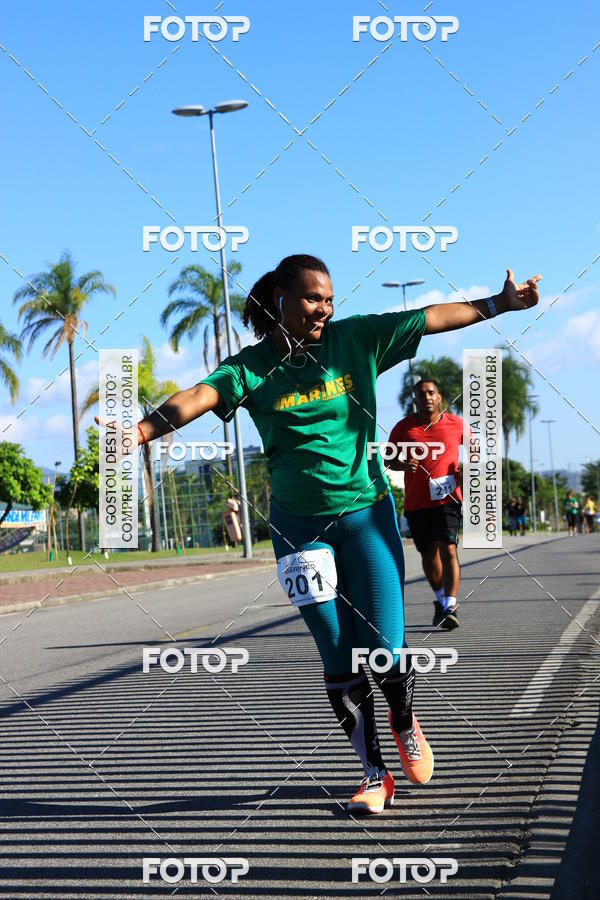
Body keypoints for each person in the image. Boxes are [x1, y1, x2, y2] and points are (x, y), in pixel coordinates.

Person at [123, 255, 540, 815]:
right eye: (313, 298)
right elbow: (196, 397)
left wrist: (499, 304)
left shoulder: (357, 338)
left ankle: (404, 719)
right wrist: (142, 431)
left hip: (366, 515)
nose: (325, 308)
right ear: (280, 301)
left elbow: (432, 316)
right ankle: (373, 773)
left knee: (386, 650)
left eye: (329, 299)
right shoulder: (251, 368)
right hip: (299, 531)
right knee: (338, 652)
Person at [387, 380, 463, 630]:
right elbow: (388, 459)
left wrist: (467, 469)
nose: (427, 397)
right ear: (415, 400)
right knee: (428, 554)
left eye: (431, 393)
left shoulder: (456, 424)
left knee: (448, 548)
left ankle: (451, 604)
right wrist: (403, 465)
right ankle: (440, 600)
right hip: (417, 502)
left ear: (439, 397)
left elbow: (476, 449)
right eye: (422, 394)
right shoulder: (404, 428)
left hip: (447, 499)